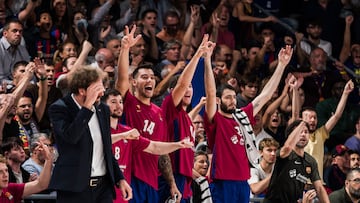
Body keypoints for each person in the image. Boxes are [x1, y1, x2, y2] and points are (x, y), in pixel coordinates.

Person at [204, 35, 292, 202]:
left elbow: (265, 96)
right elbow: (209, 92)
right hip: (223, 181)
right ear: (218, 100)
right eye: (227, 97)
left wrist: (281, 65)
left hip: (242, 181)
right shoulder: (214, 119)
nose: (233, 101)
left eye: (234, 97)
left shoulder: (241, 116)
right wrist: (208, 60)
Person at [116, 25, 181, 202]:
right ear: (134, 83)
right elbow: (121, 79)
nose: (150, 80)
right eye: (144, 77)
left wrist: (172, 183)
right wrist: (125, 49)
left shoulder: (159, 113)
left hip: (152, 181)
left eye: (152, 77)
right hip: (130, 177)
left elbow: (162, 152)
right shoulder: (128, 102)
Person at [48, 65, 132, 203]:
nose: (103, 92)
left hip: (103, 187)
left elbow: (106, 149)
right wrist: (86, 107)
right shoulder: (59, 108)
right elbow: (71, 137)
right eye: (98, 89)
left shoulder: (103, 109)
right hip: (74, 188)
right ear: (82, 90)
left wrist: (120, 178)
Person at [102, 88, 193, 203]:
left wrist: (178, 145)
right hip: (103, 190)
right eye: (113, 102)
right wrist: (123, 136)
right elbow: (98, 142)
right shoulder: (100, 129)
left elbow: (154, 147)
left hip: (123, 191)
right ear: (102, 105)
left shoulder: (128, 132)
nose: (119, 106)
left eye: (120, 102)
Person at [263, 120, 329, 203]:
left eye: (306, 132)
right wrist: (302, 123)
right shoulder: (284, 154)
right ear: (291, 136)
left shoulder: (310, 161)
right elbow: (287, 147)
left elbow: (319, 188)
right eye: (299, 132)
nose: (303, 135)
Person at [303, 80, 354, 180]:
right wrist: (295, 90)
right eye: (309, 117)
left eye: (315, 117)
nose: (313, 120)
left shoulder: (320, 134)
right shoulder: (296, 135)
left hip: (317, 184)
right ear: (301, 119)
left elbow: (336, 116)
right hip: (299, 184)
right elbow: (295, 113)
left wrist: (345, 93)